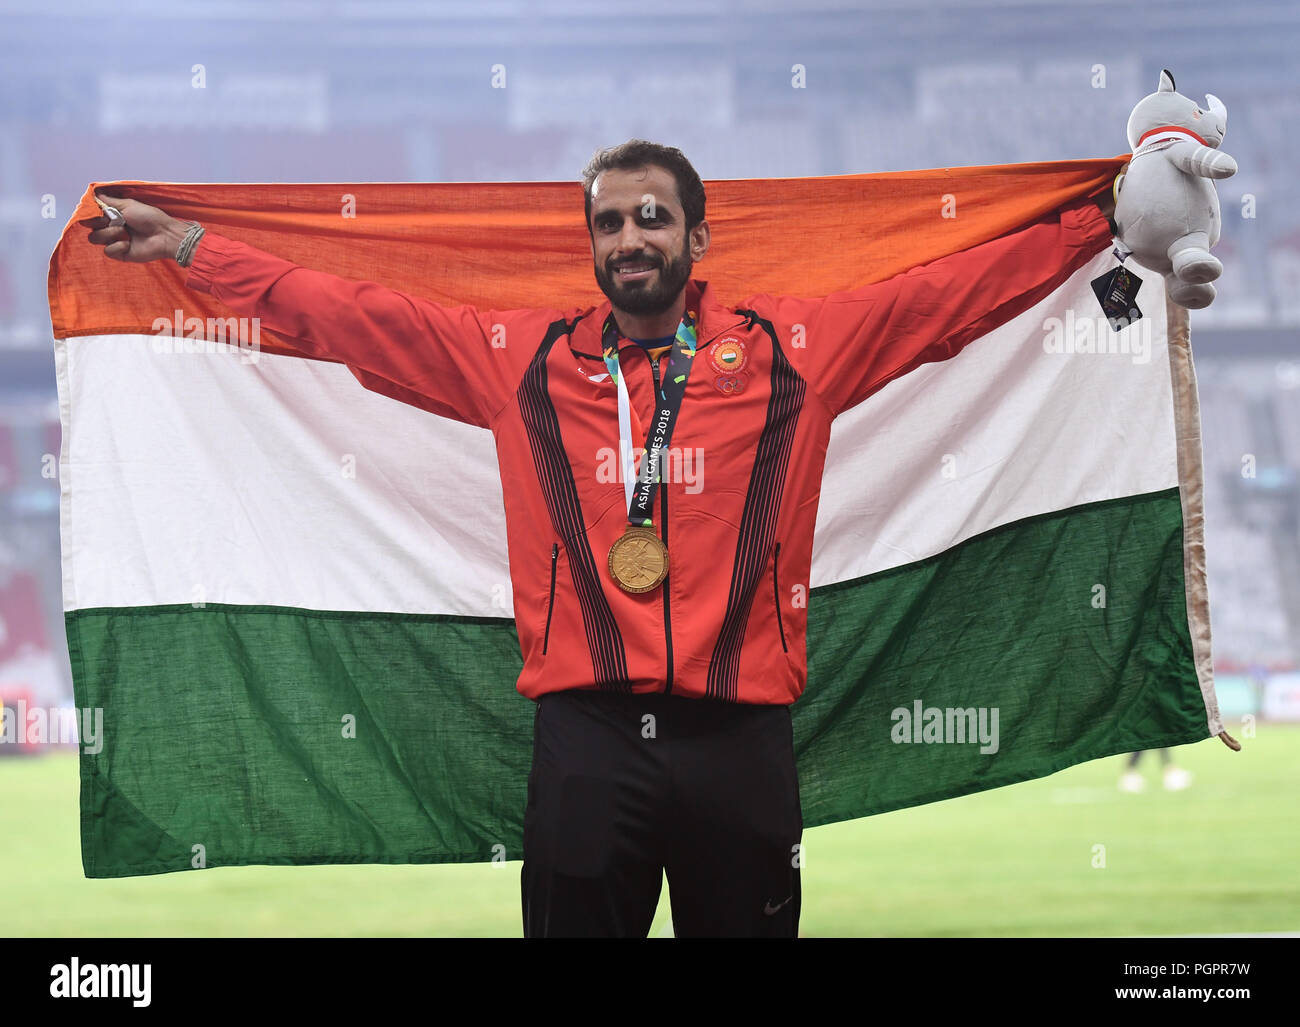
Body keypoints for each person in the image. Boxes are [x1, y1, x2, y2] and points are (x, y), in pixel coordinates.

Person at [85, 139, 1118, 938]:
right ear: (591, 245)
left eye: (653, 219)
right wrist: (185, 247)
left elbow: (951, 299)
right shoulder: (517, 362)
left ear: (697, 240)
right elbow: (342, 313)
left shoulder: (790, 350)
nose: (630, 239)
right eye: (610, 223)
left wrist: (1101, 222)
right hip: (587, 745)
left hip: (739, 743)